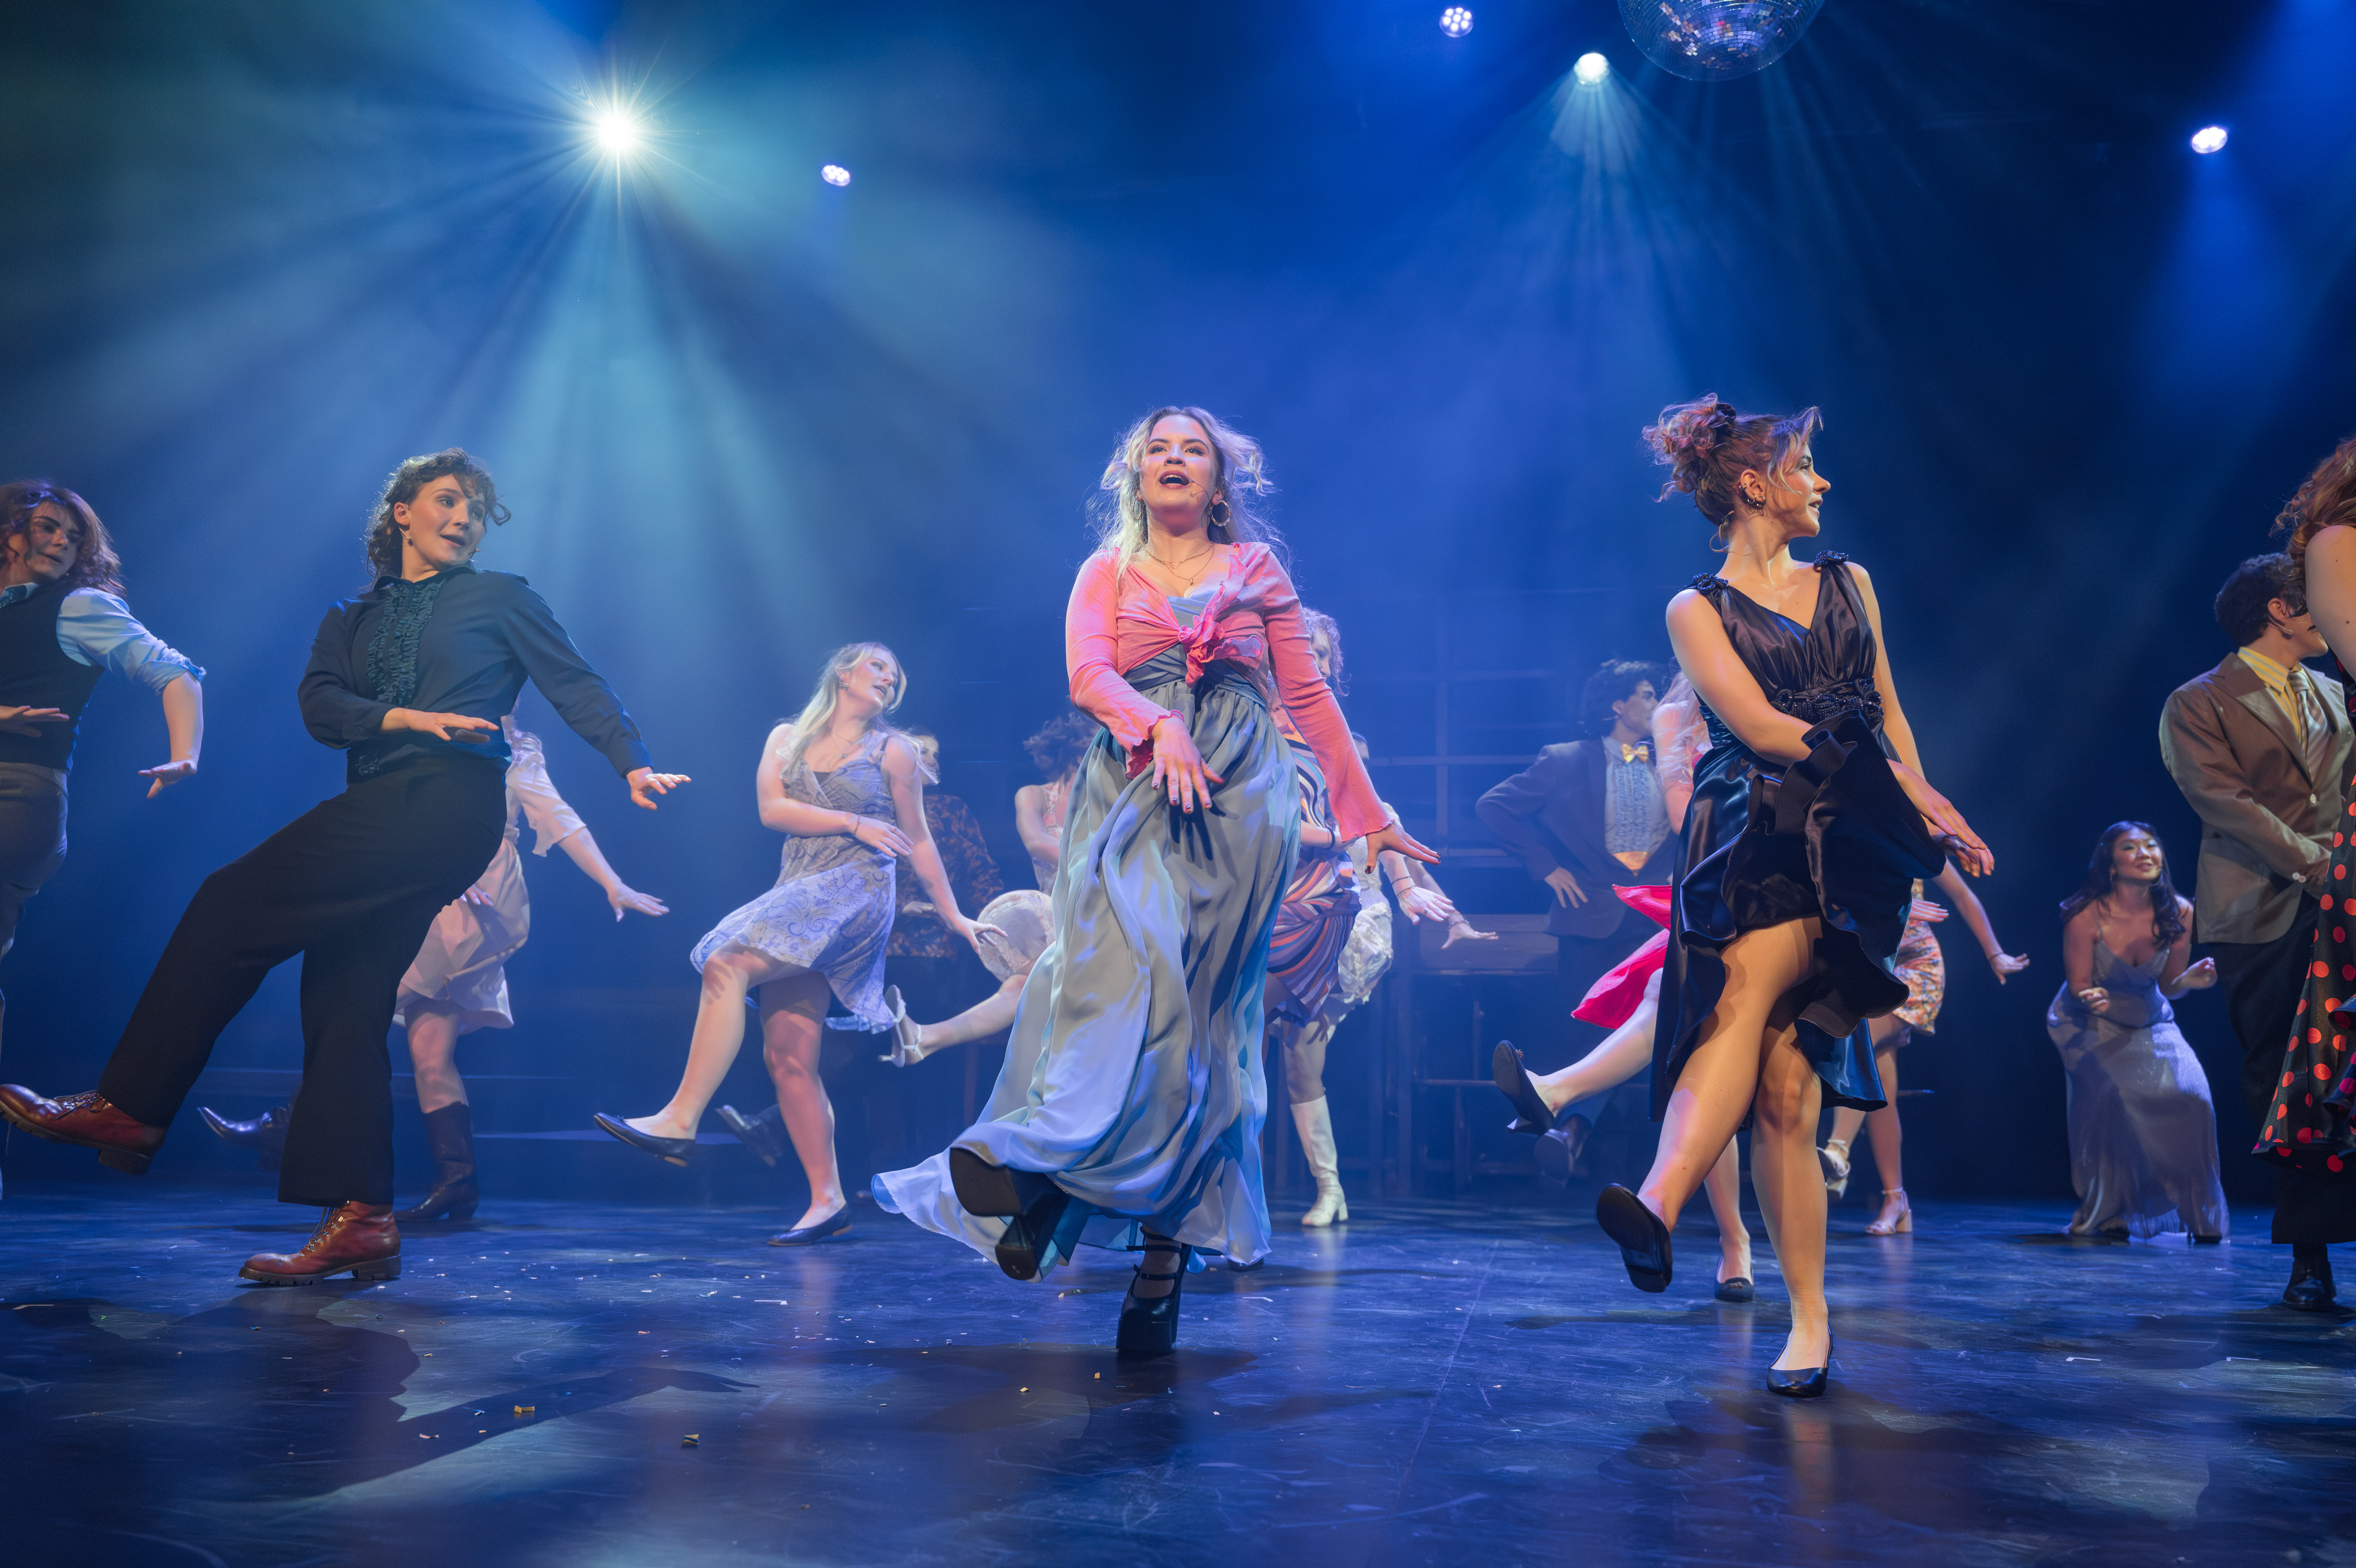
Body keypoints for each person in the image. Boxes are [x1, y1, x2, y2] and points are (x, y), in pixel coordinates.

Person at [0, 449, 684, 1284]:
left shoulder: (502, 597)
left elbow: (576, 683)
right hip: (385, 796)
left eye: (475, 509)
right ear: (402, 512)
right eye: (447, 500)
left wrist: (631, 762)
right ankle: (363, 1217)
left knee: (229, 899)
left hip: (447, 804)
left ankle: (130, 1107)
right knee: (344, 999)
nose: (464, 517)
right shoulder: (348, 618)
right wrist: (408, 718)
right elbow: (321, 708)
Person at [873, 405, 1433, 1358]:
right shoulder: (1107, 569)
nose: (1174, 458)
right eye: (1157, 449)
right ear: (1136, 477)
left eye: (1193, 449)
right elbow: (1087, 673)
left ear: (1218, 482)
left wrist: (1367, 813)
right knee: (1110, 979)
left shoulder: (1259, 570)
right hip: (1133, 785)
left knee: (1200, 1026)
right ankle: (1040, 1171)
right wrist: (1158, 723)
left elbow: (1307, 695)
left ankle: (1160, 1253)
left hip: (1239, 798)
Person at [1594, 394, 1987, 1400]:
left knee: (1788, 1089)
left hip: (1855, 836)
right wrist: (1898, 786)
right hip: (1758, 824)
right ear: (1753, 484)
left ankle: (1763, 1280)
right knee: (1750, 1000)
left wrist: (1922, 803)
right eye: (1805, 465)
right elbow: (1763, 728)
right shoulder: (1696, 608)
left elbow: (1889, 712)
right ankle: (1678, 1216)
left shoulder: (1851, 583)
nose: (1822, 481)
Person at [594, 644, 991, 1248]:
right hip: (802, 884)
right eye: (877, 667)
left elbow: (919, 837)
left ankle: (680, 1118)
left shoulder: (895, 750)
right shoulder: (788, 737)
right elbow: (772, 809)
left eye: (895, 675)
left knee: (726, 962)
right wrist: (854, 821)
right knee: (788, 1057)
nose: (888, 679)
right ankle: (828, 1200)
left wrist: (954, 914)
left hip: (857, 888)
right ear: (843, 673)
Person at [197, 716, 669, 1221]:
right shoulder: (437, 731)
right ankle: (457, 1182)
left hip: (477, 891)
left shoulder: (517, 749)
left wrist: (613, 883)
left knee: (357, 1003)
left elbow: (559, 815)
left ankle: (288, 1126)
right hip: (436, 881)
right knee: (429, 1050)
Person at [1274, 613, 1488, 1228]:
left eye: (1322, 653)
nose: (1314, 661)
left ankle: (1322, 1188)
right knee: (1289, 1058)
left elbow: (1382, 829)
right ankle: (1322, 1190)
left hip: (1344, 913)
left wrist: (1414, 894)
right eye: (1303, 651)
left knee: (1280, 1043)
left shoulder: (1336, 740)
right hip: (1282, 904)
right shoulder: (1258, 733)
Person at [0, 481, 204, 1047]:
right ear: (8, 531)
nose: (62, 542)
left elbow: (175, 672)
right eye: (47, 526)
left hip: (16, 793)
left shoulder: (77, 606)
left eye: (74, 537)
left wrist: (185, 756)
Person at [2247, 450, 2356, 1306]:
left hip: (2332, 872)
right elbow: (2224, 801)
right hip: (2265, 896)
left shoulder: (2321, 690)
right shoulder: (2200, 699)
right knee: (2300, 1066)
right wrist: (2321, 864)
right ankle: (2308, 1255)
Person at [1818, 865, 2030, 1234]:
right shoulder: (1842, 842)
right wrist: (1892, 907)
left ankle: (1838, 1152)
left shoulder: (1917, 841)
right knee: (1881, 1088)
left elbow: (1963, 895)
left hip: (1916, 967)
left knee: (1857, 1034)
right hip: (1868, 965)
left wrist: (1995, 953)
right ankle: (1895, 1200)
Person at [2046, 823, 2228, 1240]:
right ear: (2111, 864)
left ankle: (2198, 1214)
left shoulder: (2179, 912)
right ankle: (2111, 1212)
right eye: (2130, 847)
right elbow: (2078, 985)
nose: (2145, 853)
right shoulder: (2085, 915)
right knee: (2115, 1099)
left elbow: (2169, 985)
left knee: (2194, 1096)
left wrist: (2189, 982)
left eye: (2151, 846)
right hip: (2087, 1020)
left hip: (2150, 1019)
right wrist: (2090, 996)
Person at [1478, 660, 1679, 1028]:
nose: (1657, 705)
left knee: (1655, 1029)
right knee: (1586, 1030)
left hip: (1657, 920)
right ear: (1618, 705)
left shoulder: (1671, 763)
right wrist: (1546, 866)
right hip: (1590, 915)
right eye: (1648, 696)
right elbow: (1493, 807)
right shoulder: (1565, 760)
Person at [1014, 710, 1094, 892]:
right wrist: (1096, 865)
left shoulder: (1104, 800)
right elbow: (1036, 842)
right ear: (1077, 756)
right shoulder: (1033, 795)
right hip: (1056, 902)